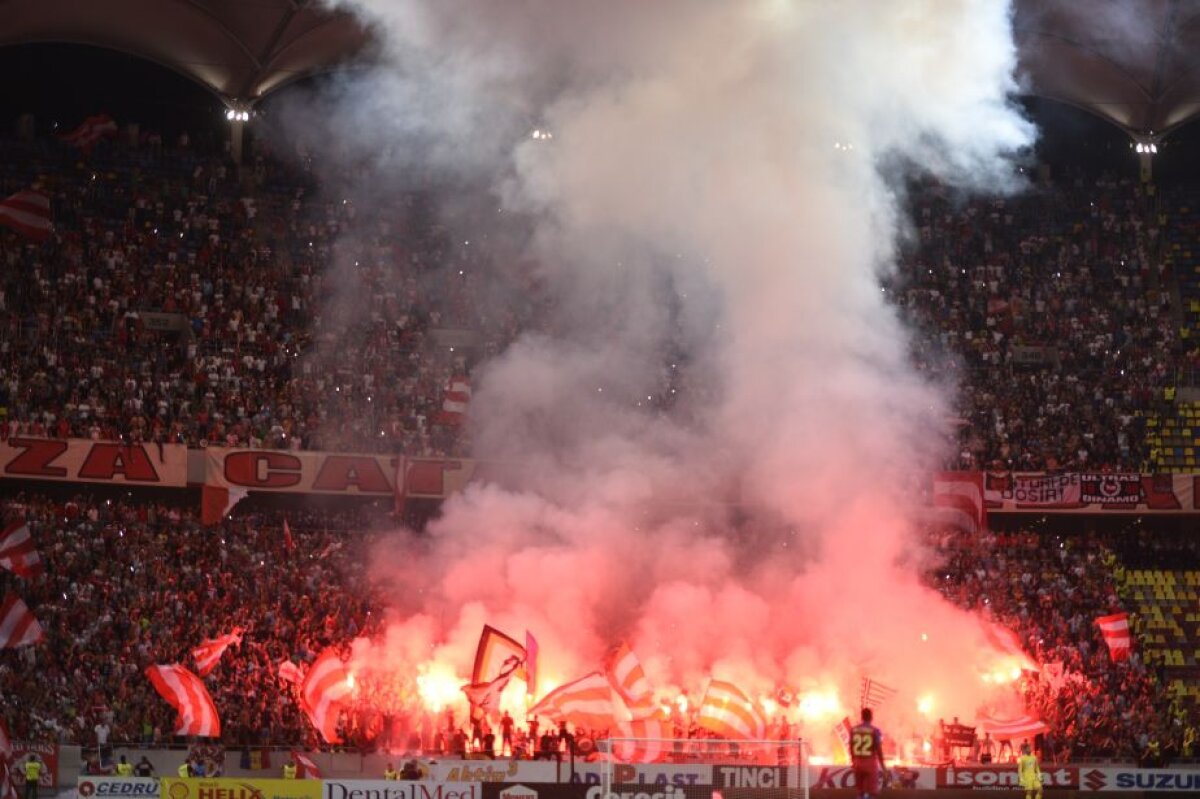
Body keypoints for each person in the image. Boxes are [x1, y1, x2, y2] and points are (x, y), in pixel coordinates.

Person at [850, 708, 887, 799]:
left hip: (858, 763)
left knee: (860, 792)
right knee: (872, 793)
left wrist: (853, 761)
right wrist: (883, 767)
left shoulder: (853, 730)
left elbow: (851, 747)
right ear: (871, 717)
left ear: (862, 717)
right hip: (870, 764)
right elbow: (879, 750)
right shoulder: (875, 730)